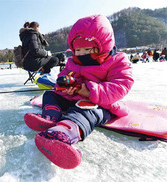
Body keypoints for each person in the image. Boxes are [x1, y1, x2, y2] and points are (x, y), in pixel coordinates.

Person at [24, 14, 134, 169]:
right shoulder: (73, 61)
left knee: (86, 108)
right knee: (50, 94)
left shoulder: (118, 61)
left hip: (100, 103)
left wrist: (90, 92)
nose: (81, 54)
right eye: (77, 50)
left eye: (87, 49)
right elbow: (64, 75)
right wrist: (65, 85)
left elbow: (122, 84)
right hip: (74, 96)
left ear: (103, 46)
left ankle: (65, 132)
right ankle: (51, 115)